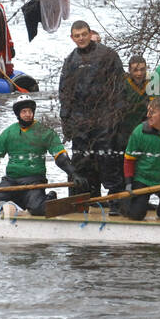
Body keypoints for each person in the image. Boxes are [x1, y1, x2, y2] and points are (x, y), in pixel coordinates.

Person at [58, 20, 126, 203]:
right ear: (72, 38)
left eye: (84, 34)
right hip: (80, 119)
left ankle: (116, 200)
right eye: (77, 36)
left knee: (108, 160)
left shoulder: (108, 55)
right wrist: (66, 120)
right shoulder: (71, 60)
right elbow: (65, 92)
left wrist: (116, 117)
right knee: (81, 161)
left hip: (104, 116)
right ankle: (85, 199)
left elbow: (120, 87)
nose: (81, 38)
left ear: (90, 34)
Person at [0, 99, 79, 217]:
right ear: (18, 114)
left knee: (38, 210)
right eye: (24, 111)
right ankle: (18, 202)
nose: (27, 114)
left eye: (30, 111)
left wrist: (73, 173)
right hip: (11, 182)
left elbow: (60, 156)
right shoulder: (9, 133)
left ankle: (49, 198)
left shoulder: (45, 132)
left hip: (34, 181)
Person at [116, 55, 151, 146]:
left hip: (145, 128)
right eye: (135, 70)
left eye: (142, 69)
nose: (139, 73)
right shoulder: (123, 83)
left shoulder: (151, 81)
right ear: (130, 70)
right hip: (126, 130)